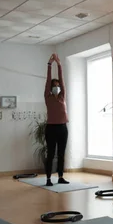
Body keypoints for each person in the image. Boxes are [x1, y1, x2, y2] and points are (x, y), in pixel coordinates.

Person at [44, 53, 69, 186]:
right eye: (54, 85)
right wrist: (49, 65)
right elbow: (48, 81)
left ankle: (60, 176)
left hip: (62, 128)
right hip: (51, 128)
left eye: (58, 85)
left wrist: (59, 64)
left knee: (61, 154)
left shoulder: (62, 96)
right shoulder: (47, 97)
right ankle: (48, 179)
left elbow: (62, 80)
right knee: (51, 153)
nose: (56, 87)